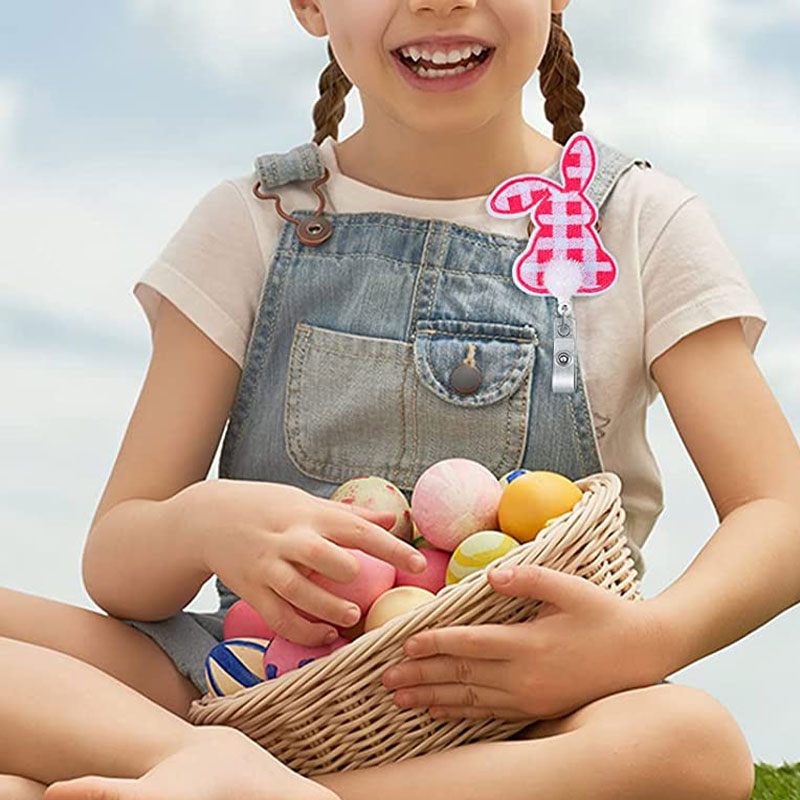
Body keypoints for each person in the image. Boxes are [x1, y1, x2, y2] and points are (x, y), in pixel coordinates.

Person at [5, 0, 798, 797]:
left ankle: (222, 785)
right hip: (246, 684)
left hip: (518, 708)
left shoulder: (636, 222)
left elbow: (779, 508)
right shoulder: (253, 221)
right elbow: (118, 564)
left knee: (690, 743)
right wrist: (204, 521)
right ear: (310, 6)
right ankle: (207, 774)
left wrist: (646, 642)